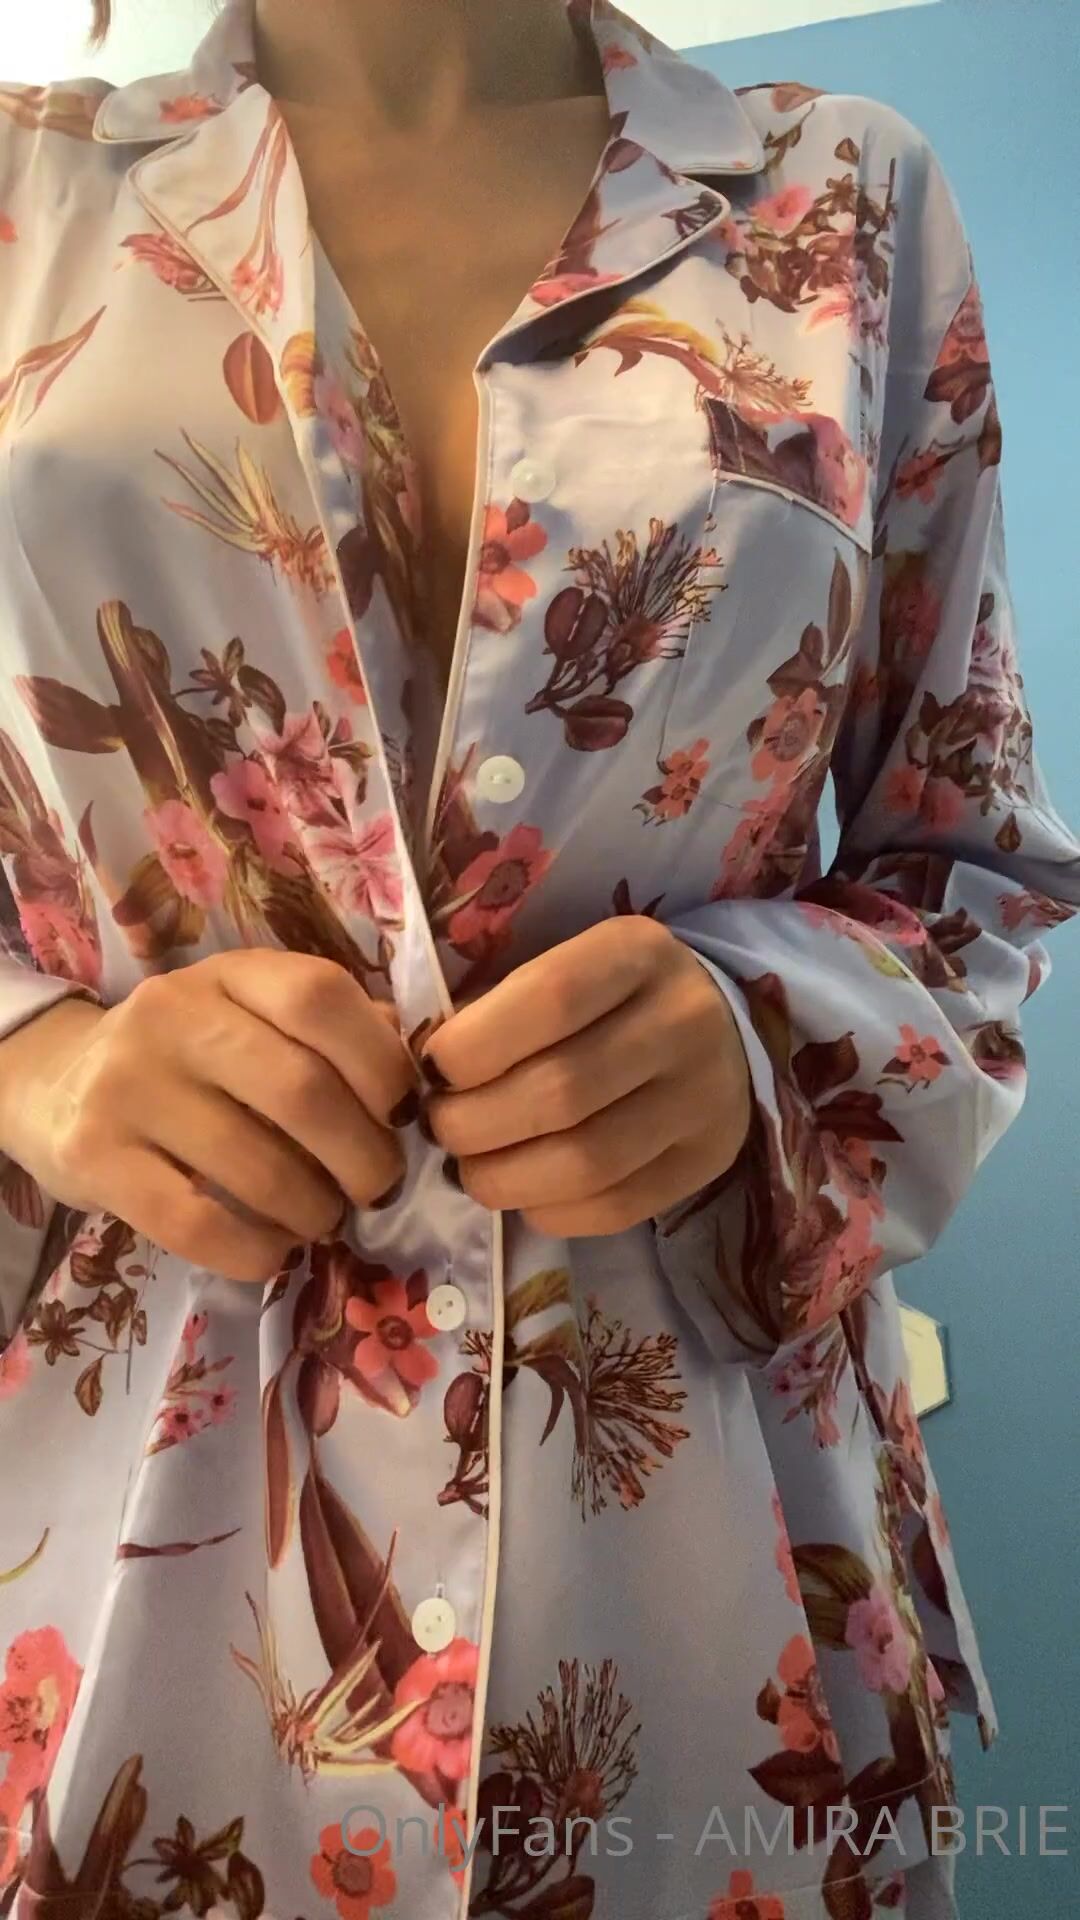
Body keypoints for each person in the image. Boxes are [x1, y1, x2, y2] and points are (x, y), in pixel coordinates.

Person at [0, 1, 1076, 1915]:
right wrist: (44, 1064)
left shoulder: (847, 197)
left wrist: (763, 1029)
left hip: (710, 1570)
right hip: (120, 1569)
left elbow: (978, 872)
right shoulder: (22, 198)